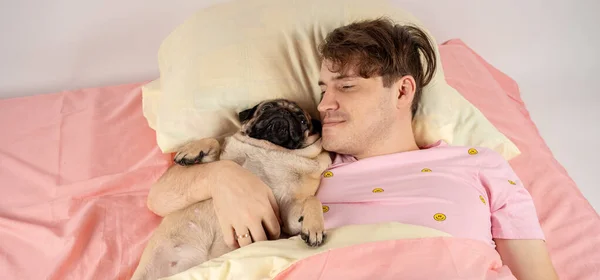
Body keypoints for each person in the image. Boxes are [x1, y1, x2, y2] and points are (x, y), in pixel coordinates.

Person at [147, 18, 559, 280]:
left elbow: (537, 276)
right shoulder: (301, 163)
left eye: (346, 86)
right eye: (323, 88)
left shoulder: (480, 164)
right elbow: (163, 197)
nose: (324, 104)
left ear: (402, 90)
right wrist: (221, 177)